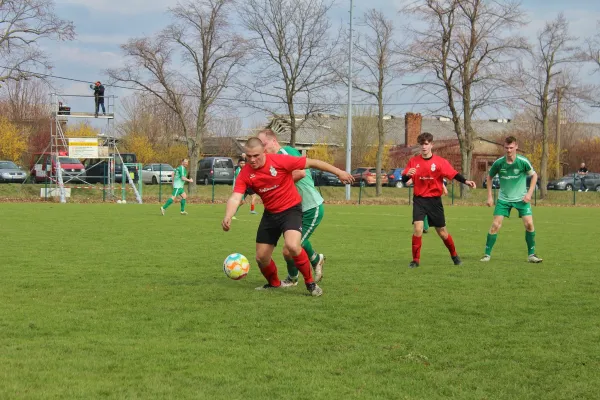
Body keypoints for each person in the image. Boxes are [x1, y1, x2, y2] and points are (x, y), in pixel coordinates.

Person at [222, 137, 353, 296]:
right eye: (248, 156)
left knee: (292, 246)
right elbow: (236, 197)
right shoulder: (246, 173)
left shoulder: (279, 161)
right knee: (261, 257)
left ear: (264, 151)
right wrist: (228, 215)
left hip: (291, 210)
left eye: (256, 155)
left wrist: (339, 172)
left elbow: (312, 162)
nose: (252, 160)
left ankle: (310, 284)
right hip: (270, 214)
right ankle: (274, 284)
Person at [257, 129, 326, 285]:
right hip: (294, 208)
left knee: (289, 249)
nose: (262, 148)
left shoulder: (286, 151)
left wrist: (276, 185)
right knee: (291, 245)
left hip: (310, 206)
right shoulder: (272, 160)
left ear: (273, 140)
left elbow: (301, 173)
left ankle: (295, 277)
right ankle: (312, 262)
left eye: (264, 144)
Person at [401, 132, 476, 268]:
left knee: (442, 232)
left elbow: (453, 174)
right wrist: (407, 175)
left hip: (435, 201)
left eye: (426, 144)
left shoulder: (440, 162)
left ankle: (454, 255)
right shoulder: (413, 161)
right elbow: (404, 179)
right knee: (418, 228)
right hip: (419, 200)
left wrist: (466, 181)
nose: (424, 147)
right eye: (421, 144)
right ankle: (415, 260)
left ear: (431, 145)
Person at [480, 136, 542, 263]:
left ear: (516, 147)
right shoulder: (499, 163)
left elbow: (534, 176)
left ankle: (531, 255)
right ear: (504, 147)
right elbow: (489, 177)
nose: (508, 150)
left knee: (529, 224)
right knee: (495, 225)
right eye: (506, 148)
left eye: (511, 148)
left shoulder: (523, 161)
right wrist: (490, 196)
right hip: (504, 199)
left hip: (521, 199)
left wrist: (529, 194)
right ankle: (487, 255)